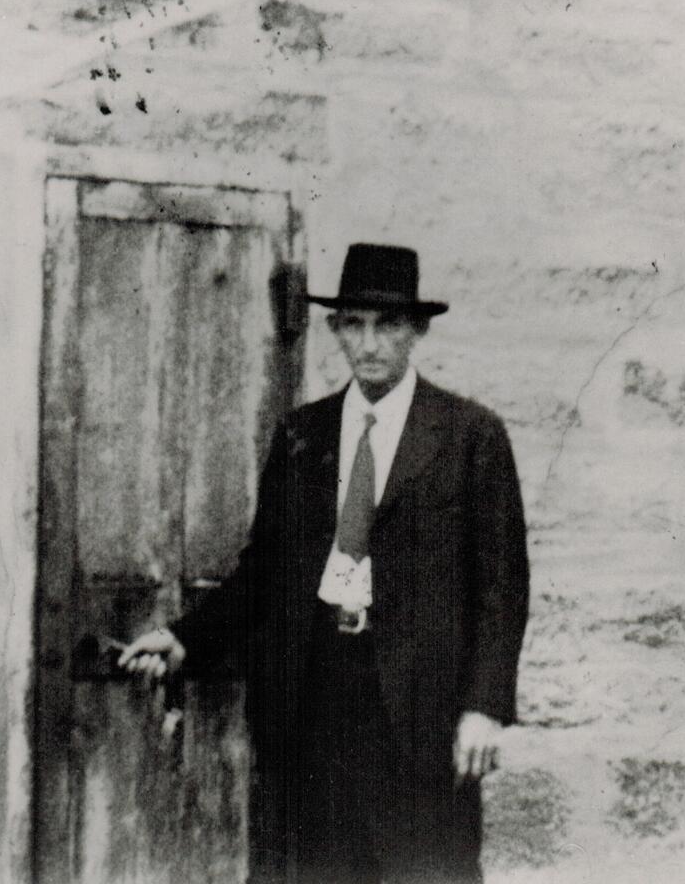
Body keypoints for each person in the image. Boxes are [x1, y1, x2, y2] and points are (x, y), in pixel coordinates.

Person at [120, 243, 529, 884]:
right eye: (354, 325)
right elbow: (266, 572)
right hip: (313, 701)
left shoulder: (468, 436)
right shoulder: (302, 434)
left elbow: (501, 586)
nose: (369, 345)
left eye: (388, 326)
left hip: (419, 712)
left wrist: (483, 705)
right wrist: (183, 638)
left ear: (417, 331)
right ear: (335, 330)